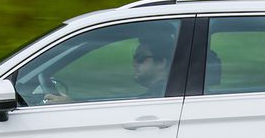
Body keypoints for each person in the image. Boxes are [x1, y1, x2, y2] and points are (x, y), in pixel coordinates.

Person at [43, 33, 173, 104]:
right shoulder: (162, 93)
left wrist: (72, 105)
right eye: (134, 58)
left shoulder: (159, 97)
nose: (134, 64)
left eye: (140, 59)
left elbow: (125, 115)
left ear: (161, 62)